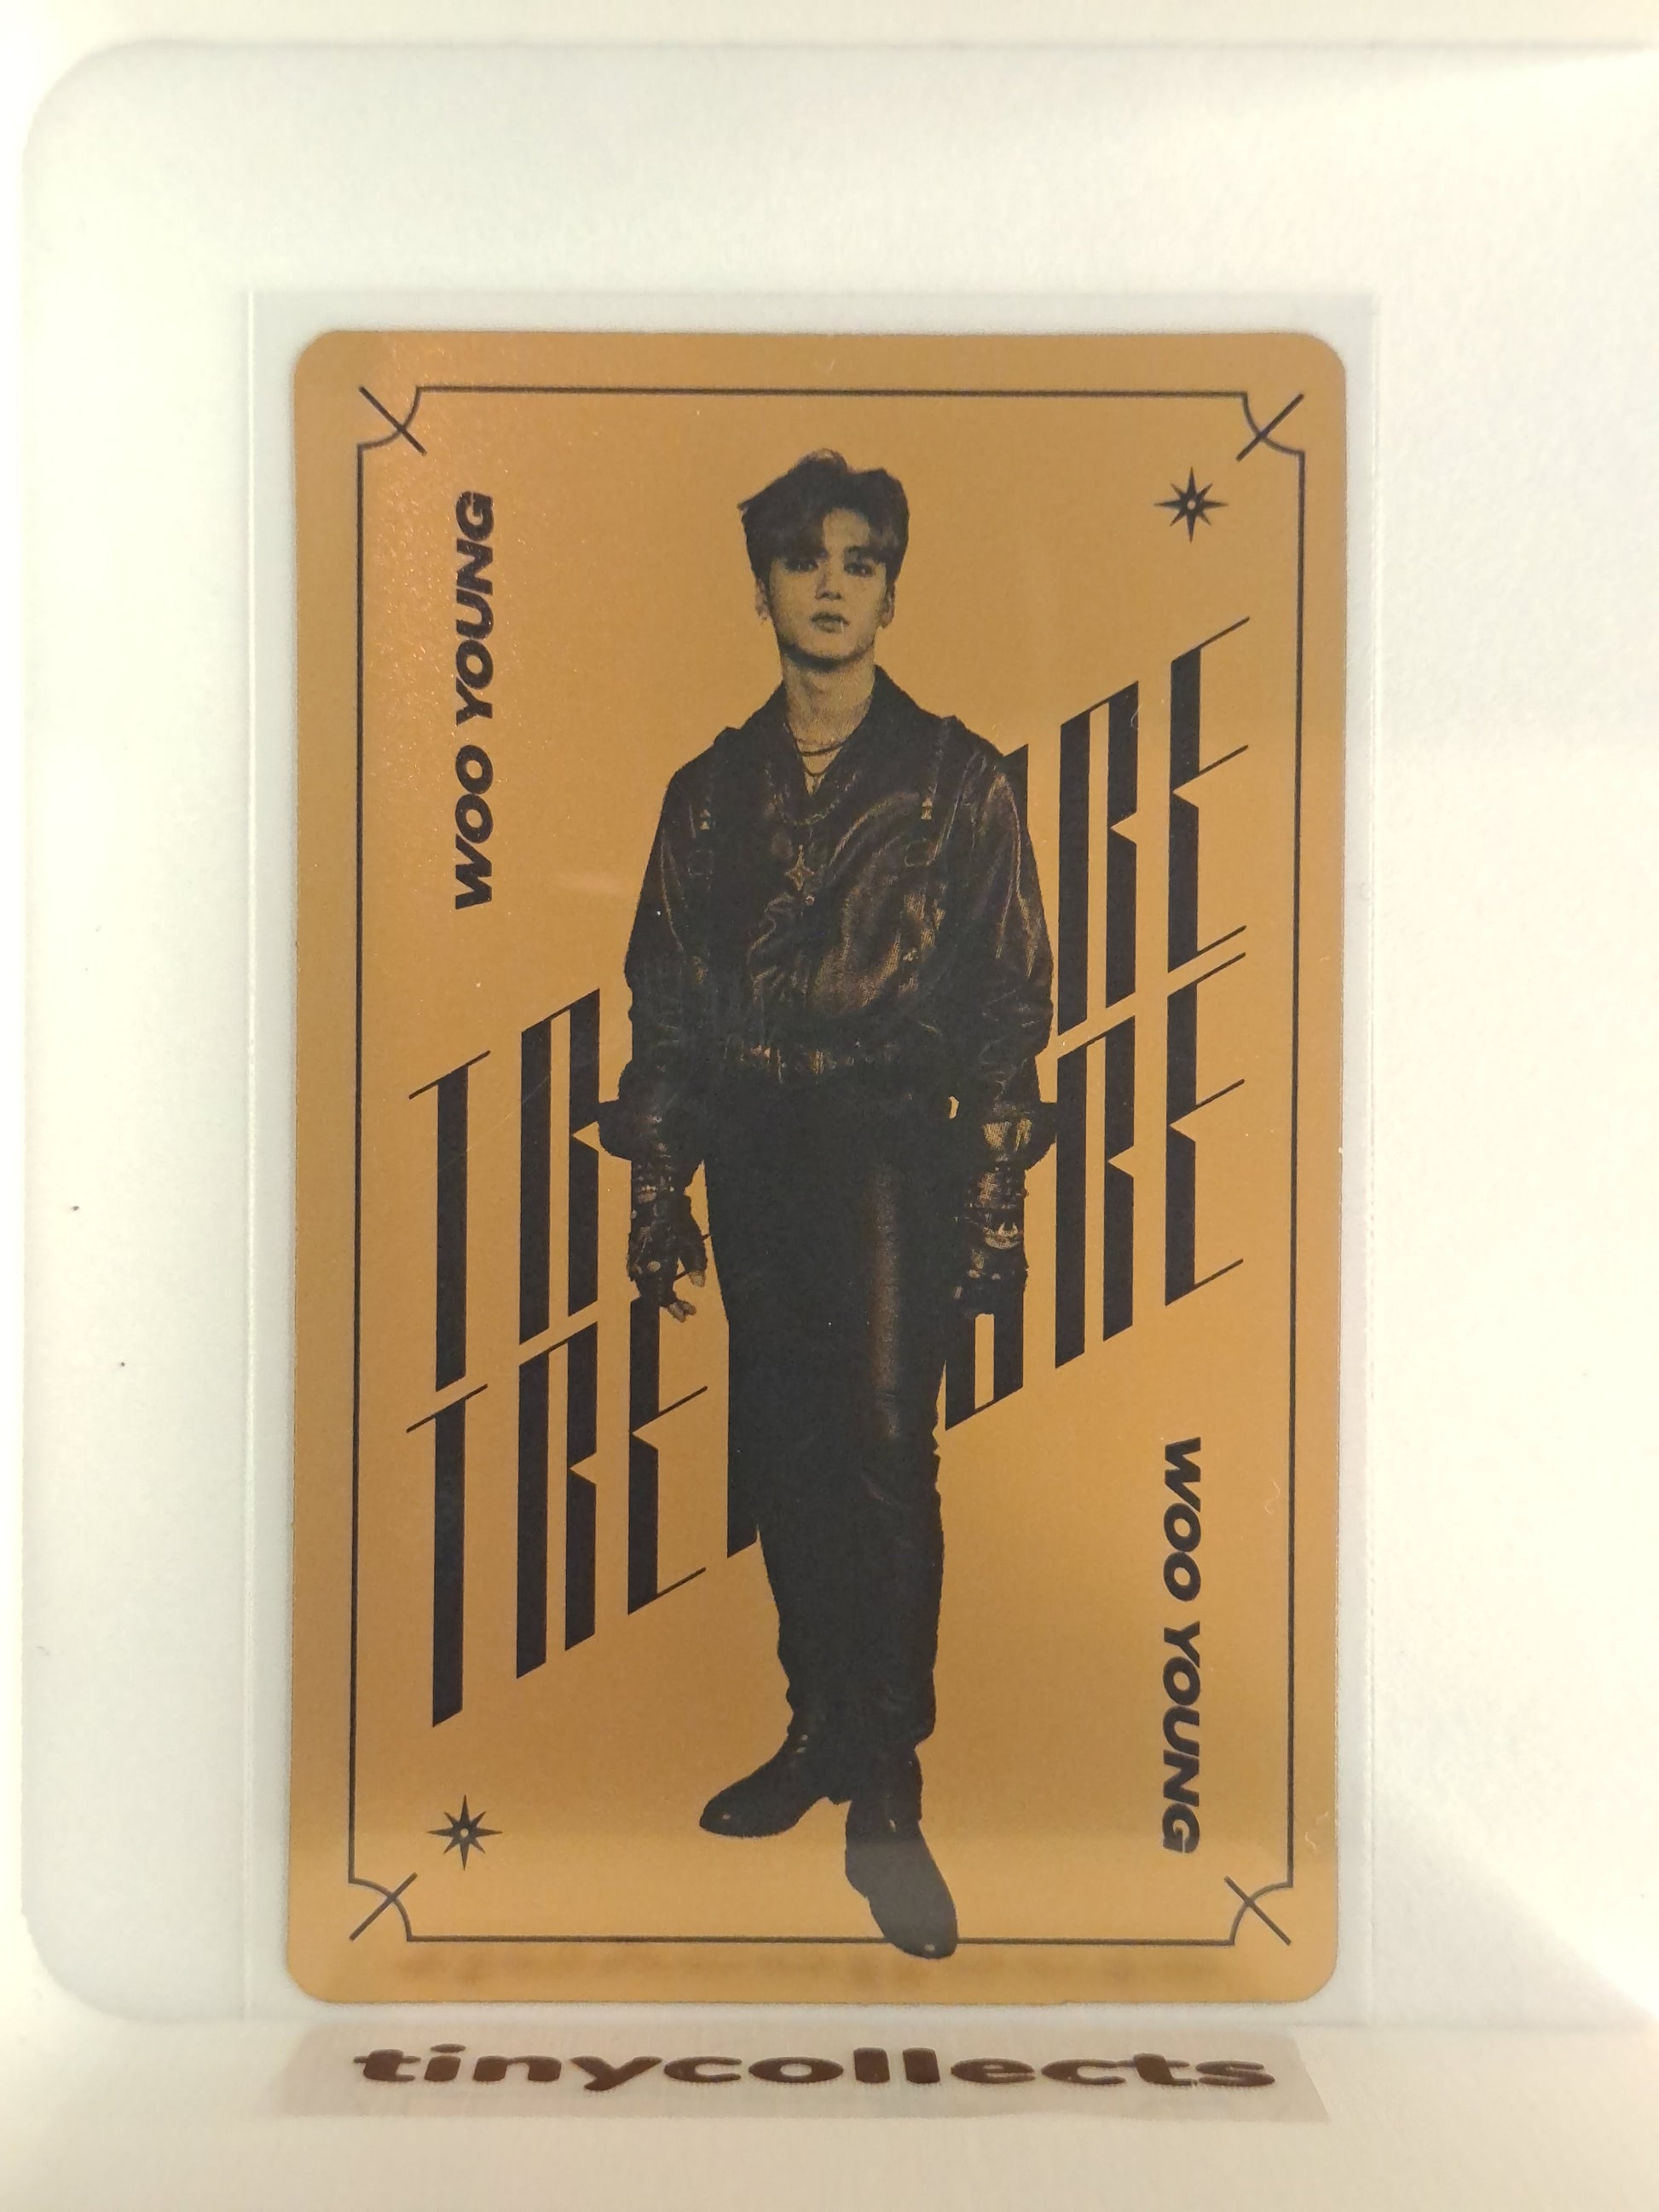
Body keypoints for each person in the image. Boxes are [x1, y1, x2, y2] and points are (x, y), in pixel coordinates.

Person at [598, 451, 1053, 1959]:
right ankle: (817, 1734)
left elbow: (1009, 997)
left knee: (879, 1450)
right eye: (805, 559)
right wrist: (661, 1172)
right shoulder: (708, 793)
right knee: (785, 1451)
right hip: (755, 1144)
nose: (833, 584)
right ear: (764, 588)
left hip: (886, 1145)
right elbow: (665, 993)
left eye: (861, 559)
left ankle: (890, 1790)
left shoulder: (955, 779)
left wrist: (991, 1190)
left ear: (892, 589)